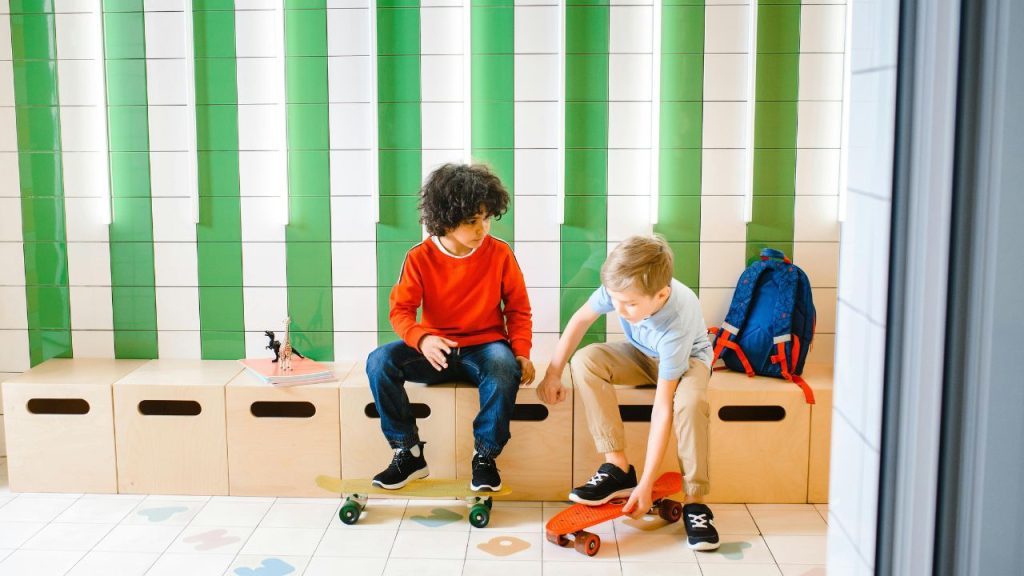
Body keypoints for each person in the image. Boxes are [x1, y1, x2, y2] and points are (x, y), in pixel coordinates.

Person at [536, 234, 720, 550]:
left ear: (661, 294)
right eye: (615, 299)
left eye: (630, 304)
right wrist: (553, 374)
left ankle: (696, 500)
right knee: (586, 360)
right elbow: (581, 319)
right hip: (643, 355)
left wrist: (648, 485)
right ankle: (618, 467)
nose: (619, 310)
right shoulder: (623, 286)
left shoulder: (675, 322)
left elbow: (663, 408)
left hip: (686, 361)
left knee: (690, 405)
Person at [366, 163, 535, 492]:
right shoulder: (419, 258)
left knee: (504, 365)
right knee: (379, 361)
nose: (482, 229)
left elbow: (518, 309)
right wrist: (422, 338)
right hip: (435, 351)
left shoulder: (499, 253)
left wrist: (522, 353)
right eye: (472, 221)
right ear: (447, 218)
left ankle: (484, 457)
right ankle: (408, 452)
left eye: (486, 218)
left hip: (485, 349)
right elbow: (400, 311)